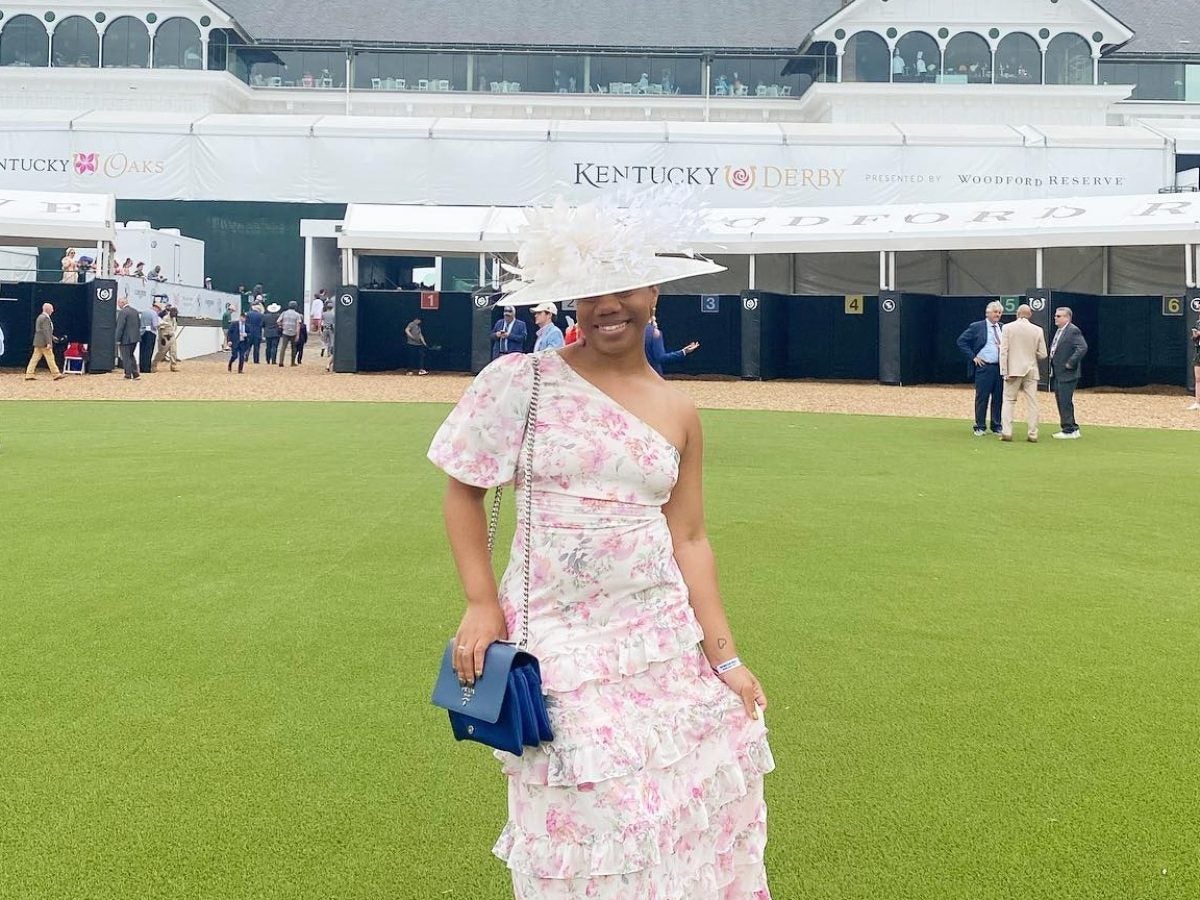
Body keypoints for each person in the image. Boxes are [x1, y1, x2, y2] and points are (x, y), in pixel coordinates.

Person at [427, 201, 771, 898]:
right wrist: (478, 601)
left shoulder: (679, 410)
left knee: (678, 810)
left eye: (626, 285)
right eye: (593, 287)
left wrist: (724, 657)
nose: (610, 304)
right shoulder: (522, 381)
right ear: (571, 297)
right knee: (587, 817)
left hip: (660, 644)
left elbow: (691, 537)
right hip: (561, 645)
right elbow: (463, 492)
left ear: (654, 293)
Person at [998, 304, 1048, 443]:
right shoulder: (1038, 330)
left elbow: (1004, 351)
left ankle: (1007, 432)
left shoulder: (1007, 328)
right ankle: (1033, 433)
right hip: (1032, 369)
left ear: (1017, 314)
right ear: (1030, 315)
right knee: (1032, 403)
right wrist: (1031, 355)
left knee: (1008, 401)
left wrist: (1004, 370)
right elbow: (1043, 354)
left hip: (1013, 370)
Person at [956, 301, 1005, 437]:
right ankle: (980, 426)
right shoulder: (977, 327)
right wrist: (973, 357)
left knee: (998, 397)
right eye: (995, 312)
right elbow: (961, 341)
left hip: (1000, 368)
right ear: (988, 313)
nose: (998, 315)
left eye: (1000, 312)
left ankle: (996, 425)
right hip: (984, 367)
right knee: (982, 397)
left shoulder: (1003, 328)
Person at [1050, 306, 1088, 439]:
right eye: (1056, 315)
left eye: (1059, 316)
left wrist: (1071, 362)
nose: (1056, 318)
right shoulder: (1060, 331)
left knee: (1064, 400)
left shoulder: (1072, 330)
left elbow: (1082, 347)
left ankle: (1069, 429)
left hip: (1068, 373)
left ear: (1067, 317)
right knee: (1061, 400)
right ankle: (1072, 427)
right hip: (1059, 372)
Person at [24, 303, 65, 381]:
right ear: (48, 309)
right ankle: (56, 374)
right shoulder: (45, 318)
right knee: (50, 357)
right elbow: (46, 331)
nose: (53, 310)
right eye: (51, 309)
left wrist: (52, 338)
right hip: (44, 342)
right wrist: (49, 342)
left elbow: (44, 331)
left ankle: (29, 374)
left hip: (38, 341)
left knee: (35, 358)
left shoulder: (40, 317)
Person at [114, 296, 141, 380]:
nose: (118, 305)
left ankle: (127, 374)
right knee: (131, 355)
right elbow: (139, 324)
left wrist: (117, 339)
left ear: (123, 303)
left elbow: (120, 327)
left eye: (119, 303)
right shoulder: (135, 311)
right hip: (135, 337)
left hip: (125, 338)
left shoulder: (123, 312)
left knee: (126, 357)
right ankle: (135, 373)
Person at [153, 306, 181, 372]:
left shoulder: (174, 318)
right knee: (161, 353)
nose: (175, 314)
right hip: (165, 338)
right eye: (174, 313)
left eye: (176, 313)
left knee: (173, 352)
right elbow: (160, 328)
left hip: (172, 337)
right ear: (171, 312)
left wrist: (173, 333)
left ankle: (173, 366)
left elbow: (174, 327)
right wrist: (162, 337)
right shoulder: (165, 318)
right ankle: (154, 365)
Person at [277, 300, 303, 366]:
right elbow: (298, 325)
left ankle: (281, 362)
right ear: (295, 307)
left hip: (285, 332)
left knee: (283, 347)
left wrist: (282, 326)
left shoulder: (284, 313)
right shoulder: (297, 315)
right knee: (294, 348)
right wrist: (297, 335)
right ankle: (292, 362)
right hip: (293, 332)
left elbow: (278, 321)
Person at [138, 303, 160, 374]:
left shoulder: (144, 312)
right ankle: (147, 368)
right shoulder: (154, 313)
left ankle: (141, 367)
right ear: (157, 308)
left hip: (142, 332)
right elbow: (155, 325)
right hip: (150, 333)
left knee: (142, 351)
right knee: (148, 351)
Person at [1188, 321, 1200, 411]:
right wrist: (1196, 335)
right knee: (1198, 378)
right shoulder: (1197, 323)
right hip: (1198, 353)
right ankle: (1197, 402)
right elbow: (1193, 338)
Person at [321, 300, 336, 372]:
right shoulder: (333, 314)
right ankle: (329, 353)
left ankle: (324, 348)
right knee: (331, 341)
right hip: (331, 329)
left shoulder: (323, 314)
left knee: (324, 341)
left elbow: (321, 321)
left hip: (324, 328)